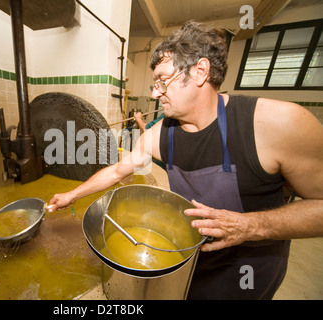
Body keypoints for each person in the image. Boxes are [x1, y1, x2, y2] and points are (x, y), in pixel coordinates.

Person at [48, 21, 323, 299]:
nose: (155, 93)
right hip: (191, 261)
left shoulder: (279, 123)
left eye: (162, 80)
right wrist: (72, 195)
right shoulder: (159, 136)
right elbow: (117, 171)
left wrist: (250, 226)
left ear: (200, 71)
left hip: (250, 269)